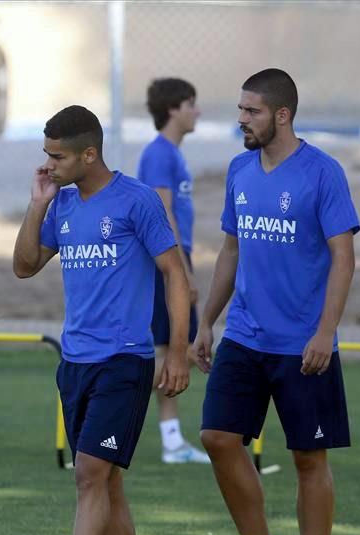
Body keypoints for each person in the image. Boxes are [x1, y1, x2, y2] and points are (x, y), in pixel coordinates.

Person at [13, 105, 191, 535]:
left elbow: (175, 275)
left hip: (123, 362)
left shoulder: (137, 201)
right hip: (75, 363)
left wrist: (175, 351)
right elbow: (24, 267)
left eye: (58, 156)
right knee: (105, 481)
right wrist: (37, 203)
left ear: (90, 153)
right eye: (45, 155)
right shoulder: (62, 204)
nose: (49, 165)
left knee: (90, 473)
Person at [194, 68, 359, 535]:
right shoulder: (241, 170)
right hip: (245, 334)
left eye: (251, 111)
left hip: (303, 344)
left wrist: (326, 331)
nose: (241, 120)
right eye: (240, 110)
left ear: (281, 115)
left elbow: (343, 256)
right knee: (218, 437)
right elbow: (231, 251)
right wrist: (205, 322)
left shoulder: (322, 173)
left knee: (308, 459)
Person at [138, 77, 211, 464]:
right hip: (166, 263)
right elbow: (161, 212)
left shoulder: (174, 154)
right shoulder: (159, 155)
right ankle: (106, 395)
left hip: (176, 259)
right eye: (191, 103)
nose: (197, 111)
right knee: (172, 355)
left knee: (172, 352)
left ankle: (172, 444)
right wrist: (182, 272)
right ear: (173, 109)